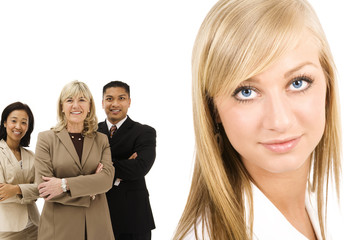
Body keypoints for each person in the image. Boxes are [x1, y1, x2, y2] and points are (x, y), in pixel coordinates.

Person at [174, 0, 341, 239]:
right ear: (213, 109)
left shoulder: (334, 207)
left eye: (298, 82)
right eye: (246, 92)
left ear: (328, 85)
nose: (279, 120)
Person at [34, 80, 115, 240]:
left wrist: (63, 184)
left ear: (90, 106)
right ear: (62, 107)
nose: (76, 105)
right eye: (70, 100)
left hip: (96, 227)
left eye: (82, 100)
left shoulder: (102, 140)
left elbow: (106, 181)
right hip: (59, 229)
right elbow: (44, 189)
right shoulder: (46, 139)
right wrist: (90, 190)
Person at [98, 80, 156, 240]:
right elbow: (82, 167)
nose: (115, 103)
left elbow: (140, 167)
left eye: (121, 98)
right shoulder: (91, 132)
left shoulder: (144, 132)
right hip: (98, 214)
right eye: (109, 99)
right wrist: (124, 165)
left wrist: (102, 167)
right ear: (102, 103)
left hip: (133, 217)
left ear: (129, 102)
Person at [0, 102, 39, 240]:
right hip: (8, 228)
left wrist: (16, 189)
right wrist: (29, 191)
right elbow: (2, 195)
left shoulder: (31, 155)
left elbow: (41, 189)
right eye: (14, 121)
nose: (18, 126)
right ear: (4, 122)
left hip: (35, 225)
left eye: (24, 122)